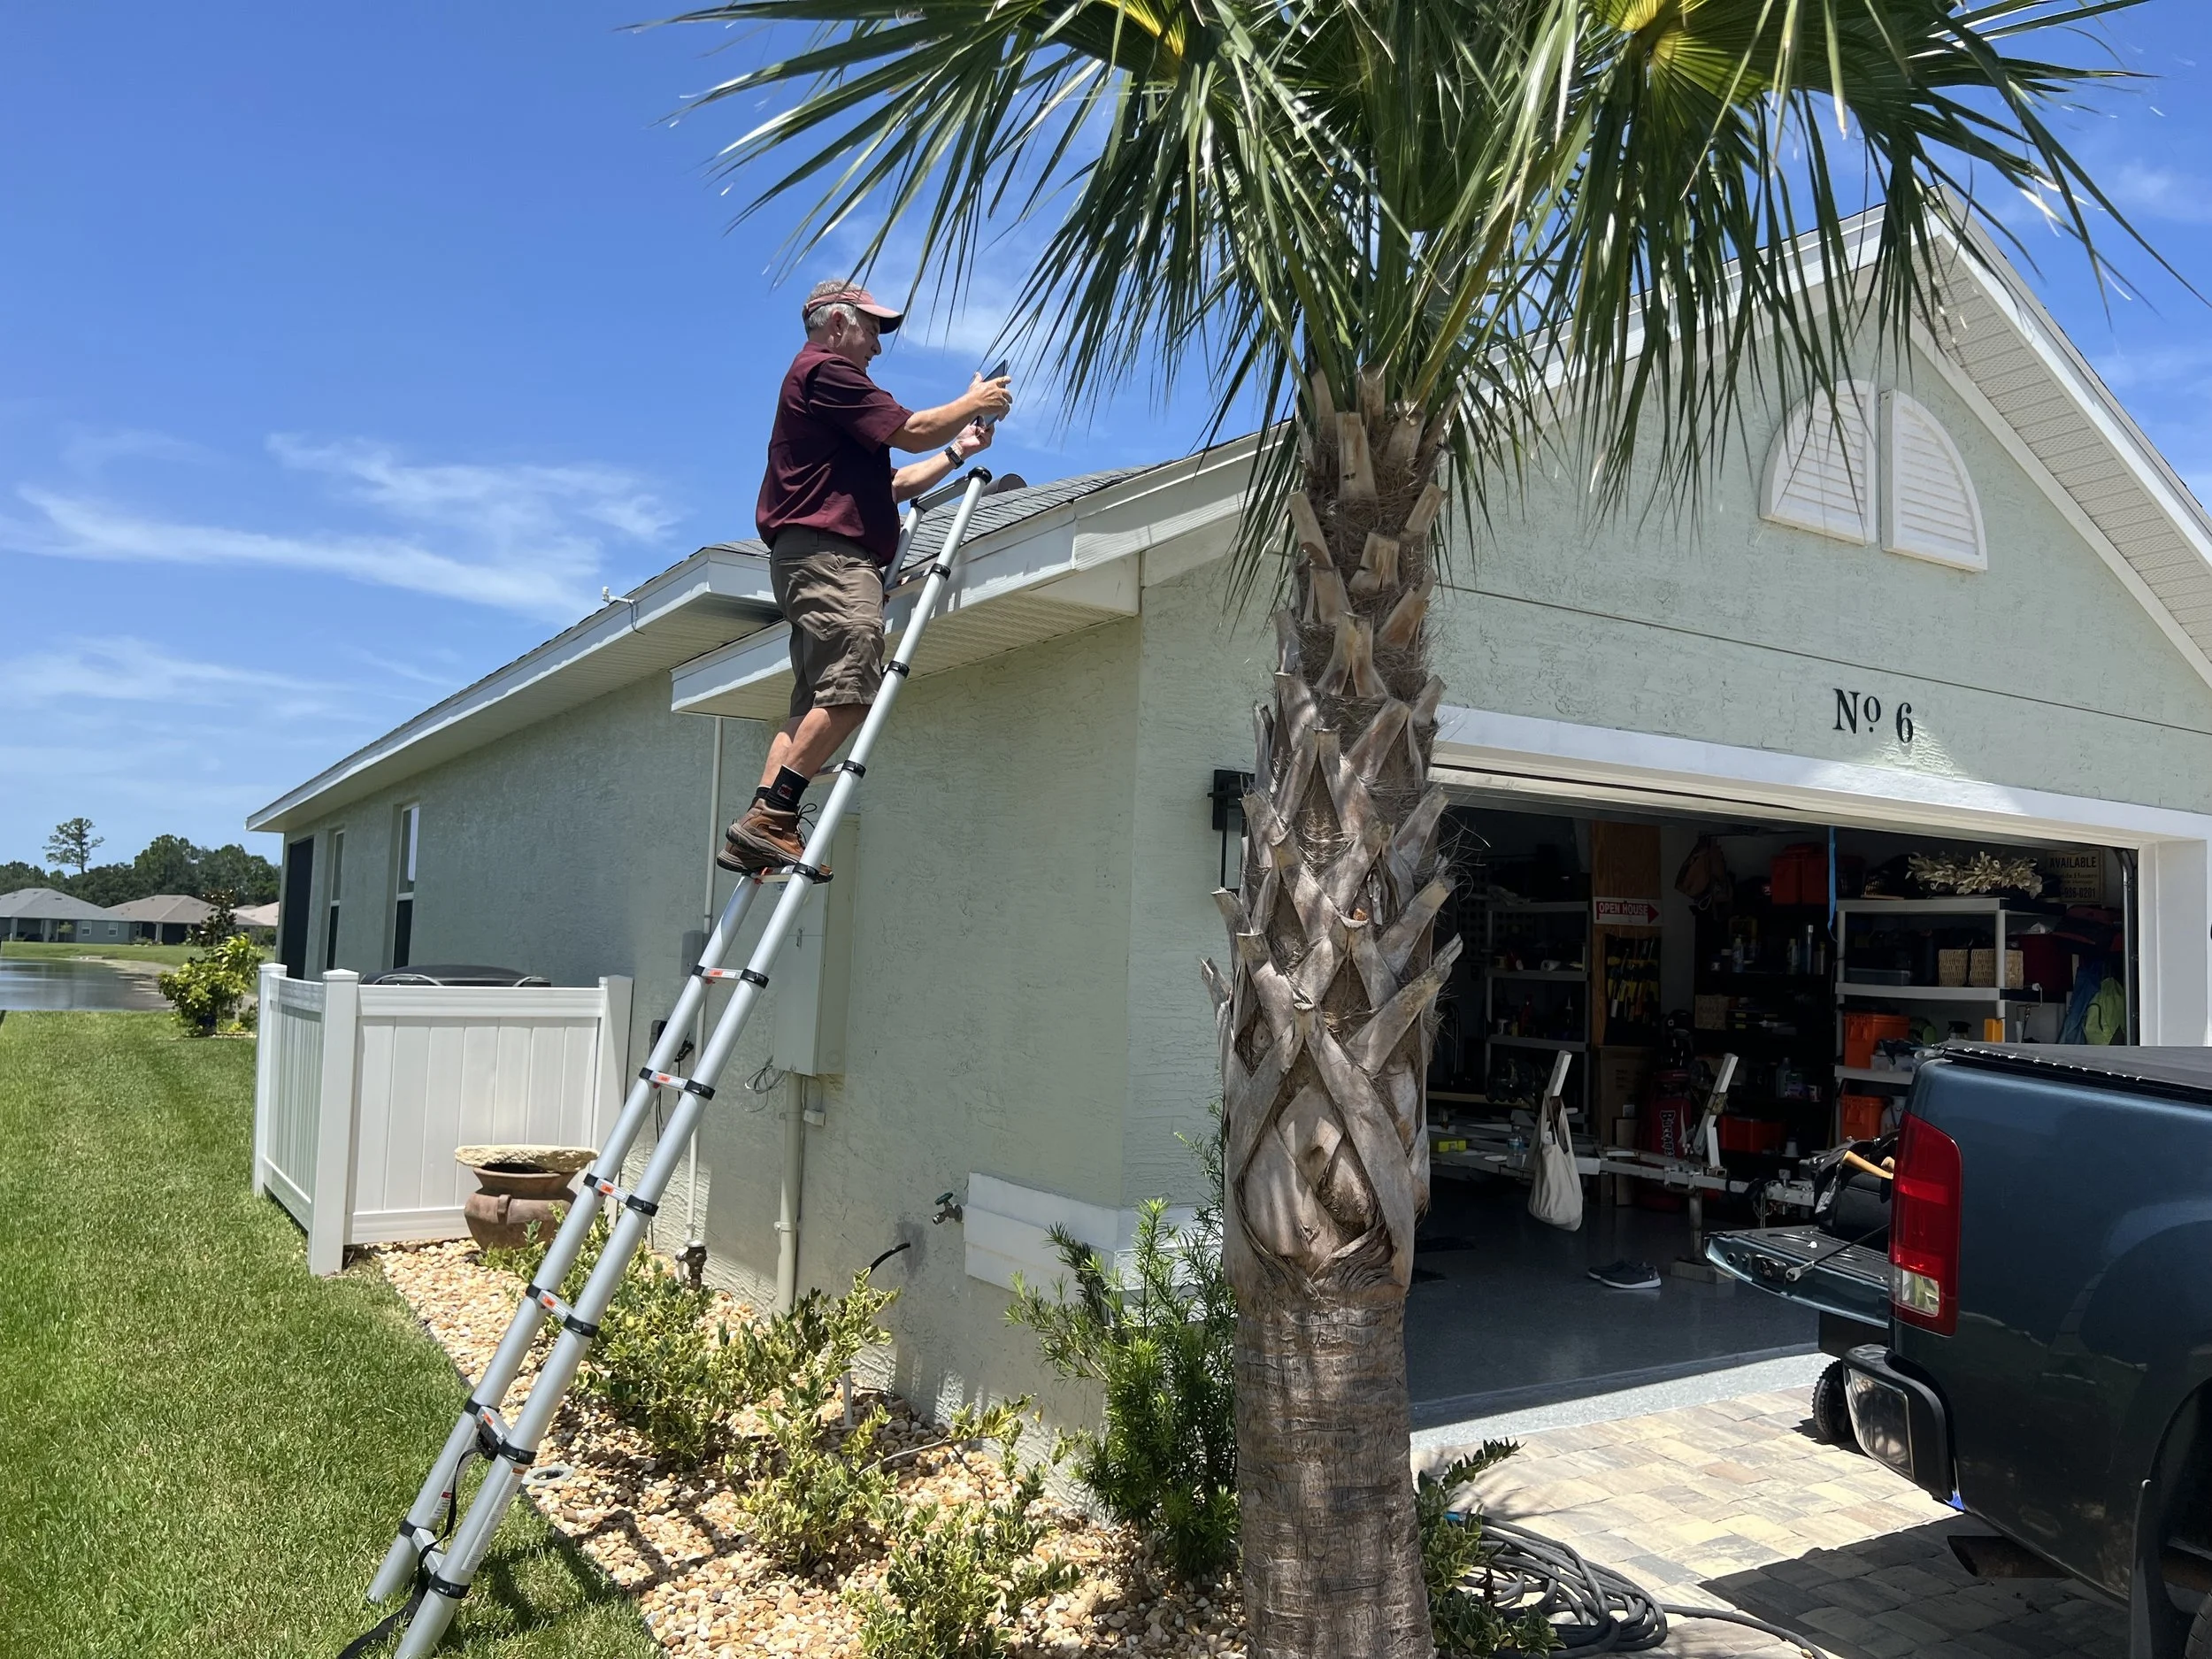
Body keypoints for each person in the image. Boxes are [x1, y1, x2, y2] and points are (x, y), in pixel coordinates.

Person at [720, 279, 1013, 873]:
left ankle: (757, 826)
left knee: (813, 705)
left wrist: (958, 450)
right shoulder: (826, 374)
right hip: (833, 558)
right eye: (872, 328)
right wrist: (973, 399)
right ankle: (772, 817)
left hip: (811, 556)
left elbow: (893, 484)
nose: (878, 345)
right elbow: (911, 427)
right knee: (855, 688)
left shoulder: (827, 404)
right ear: (837, 324)